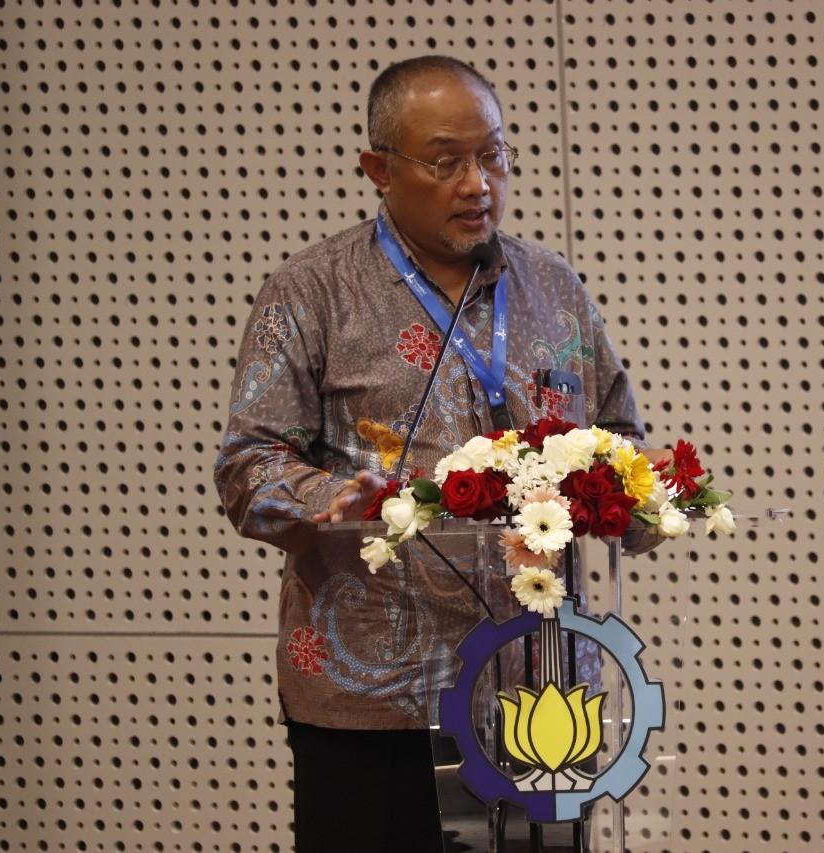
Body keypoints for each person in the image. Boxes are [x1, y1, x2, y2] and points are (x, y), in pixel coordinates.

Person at [213, 56, 659, 851]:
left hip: (540, 693)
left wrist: (634, 495)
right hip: (377, 699)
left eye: (493, 155)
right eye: (446, 161)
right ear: (379, 169)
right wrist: (330, 500)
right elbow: (249, 465)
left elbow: (620, 433)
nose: (477, 183)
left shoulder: (551, 286)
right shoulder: (312, 291)